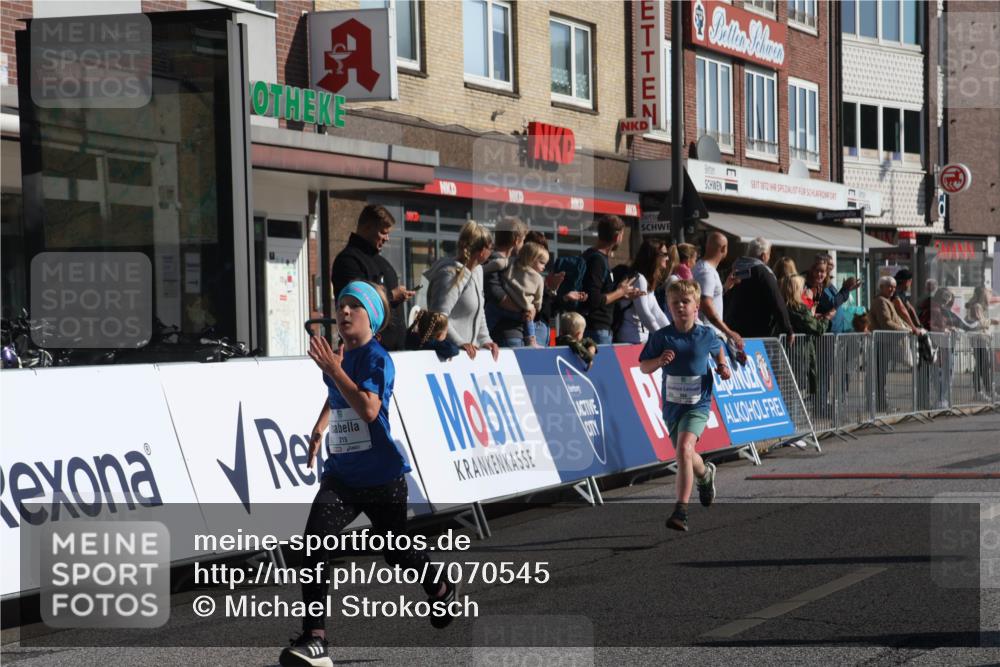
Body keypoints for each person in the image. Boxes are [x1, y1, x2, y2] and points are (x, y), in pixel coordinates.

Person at [280, 281, 459, 667]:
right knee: (314, 544)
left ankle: (440, 586)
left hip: (382, 479)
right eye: (341, 305)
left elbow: (368, 408)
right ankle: (315, 638)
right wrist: (320, 426)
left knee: (396, 551)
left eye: (354, 306)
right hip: (342, 477)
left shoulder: (379, 359)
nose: (344, 312)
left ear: (372, 318)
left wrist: (334, 369)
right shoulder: (340, 353)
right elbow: (337, 395)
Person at [639, 280, 731, 532]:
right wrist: (659, 361)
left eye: (685, 302)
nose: (680, 306)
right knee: (686, 455)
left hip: (698, 404)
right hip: (672, 406)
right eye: (674, 303)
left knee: (684, 448)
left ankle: (681, 511)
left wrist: (722, 366)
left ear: (696, 306)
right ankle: (705, 474)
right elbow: (644, 366)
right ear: (668, 307)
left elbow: (718, 350)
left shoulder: (705, 335)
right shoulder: (662, 336)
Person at [331, 205, 415, 351]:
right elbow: (355, 302)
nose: (387, 238)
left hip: (392, 350)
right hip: (368, 351)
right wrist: (392, 296)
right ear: (367, 228)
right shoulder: (348, 261)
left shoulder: (379, 261)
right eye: (383, 232)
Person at [425, 221, 501, 361]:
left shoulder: (478, 270)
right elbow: (439, 317)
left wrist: (485, 340)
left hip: (467, 356)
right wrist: (459, 342)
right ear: (482, 251)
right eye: (491, 248)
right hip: (448, 356)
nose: (492, 252)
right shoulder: (449, 274)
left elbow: (479, 312)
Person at [579, 215, 643, 345]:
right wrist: (620, 292)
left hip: (596, 329)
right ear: (617, 237)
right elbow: (594, 299)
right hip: (596, 330)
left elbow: (601, 294)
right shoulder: (597, 260)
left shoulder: (593, 256)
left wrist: (623, 295)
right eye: (622, 235)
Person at [723, 237, 794, 340]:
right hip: (756, 332)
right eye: (769, 254)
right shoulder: (763, 272)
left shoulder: (734, 269)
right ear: (763, 256)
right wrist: (788, 329)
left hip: (731, 329)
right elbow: (776, 300)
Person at [870, 275, 918, 412]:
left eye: (894, 287)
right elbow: (886, 323)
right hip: (883, 342)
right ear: (881, 287)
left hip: (886, 342)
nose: (892, 289)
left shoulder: (886, 300)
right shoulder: (881, 301)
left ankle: (882, 404)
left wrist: (907, 328)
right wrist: (906, 330)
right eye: (889, 286)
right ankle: (881, 405)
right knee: (880, 376)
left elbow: (895, 320)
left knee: (882, 376)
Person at [693, 232, 745, 351]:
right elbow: (706, 305)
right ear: (724, 248)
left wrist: (726, 286)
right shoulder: (707, 272)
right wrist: (728, 331)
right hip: (709, 336)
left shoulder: (704, 268)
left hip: (708, 335)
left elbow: (708, 298)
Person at [781, 275, 829, 397]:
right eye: (802, 288)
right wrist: (827, 318)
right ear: (796, 289)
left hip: (792, 355)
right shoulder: (798, 308)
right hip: (798, 356)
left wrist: (812, 315)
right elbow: (818, 329)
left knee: (790, 392)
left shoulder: (783, 306)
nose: (804, 290)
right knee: (795, 394)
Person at [615, 239, 671, 344]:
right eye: (665, 254)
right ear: (654, 256)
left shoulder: (646, 280)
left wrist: (672, 333)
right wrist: (663, 338)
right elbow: (644, 314)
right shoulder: (639, 279)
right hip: (629, 340)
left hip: (640, 339)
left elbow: (657, 313)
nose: (667, 258)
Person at [483, 216, 529, 343]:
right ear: (516, 240)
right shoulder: (493, 260)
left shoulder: (511, 261)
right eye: (523, 241)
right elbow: (496, 293)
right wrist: (524, 309)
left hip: (511, 332)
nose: (523, 245)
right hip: (504, 333)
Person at [498, 242, 549, 348]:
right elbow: (538, 300)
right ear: (531, 259)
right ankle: (531, 340)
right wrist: (536, 307)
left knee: (490, 313)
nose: (544, 267)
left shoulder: (512, 266)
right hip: (522, 314)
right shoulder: (538, 278)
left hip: (503, 310)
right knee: (529, 317)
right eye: (541, 263)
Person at [964, 285, 998, 397]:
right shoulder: (977, 306)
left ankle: (984, 391)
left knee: (982, 364)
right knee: (982, 364)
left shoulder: (976, 306)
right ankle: (982, 391)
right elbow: (979, 322)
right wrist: (992, 321)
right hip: (978, 339)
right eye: (988, 293)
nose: (990, 296)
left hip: (979, 338)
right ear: (983, 295)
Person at [811, 253, 861, 319]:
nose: (833, 266)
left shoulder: (828, 283)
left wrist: (847, 289)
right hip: (828, 324)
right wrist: (845, 289)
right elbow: (833, 303)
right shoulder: (820, 285)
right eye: (830, 264)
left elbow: (839, 300)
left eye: (832, 264)